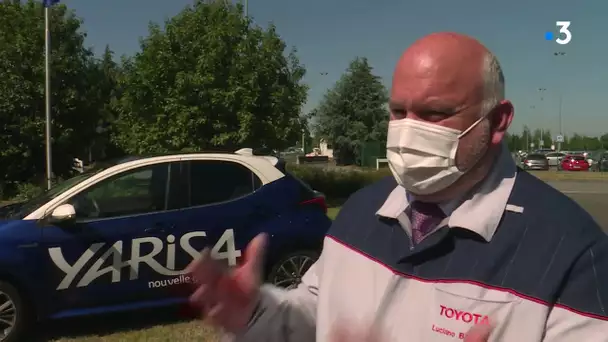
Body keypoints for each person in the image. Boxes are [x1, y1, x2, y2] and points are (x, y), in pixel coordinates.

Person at [186, 32, 608, 341]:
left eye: (434, 113)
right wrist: (256, 313)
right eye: (399, 111)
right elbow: (316, 313)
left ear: (497, 122)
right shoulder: (360, 211)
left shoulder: (569, 251)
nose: (408, 131)